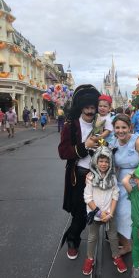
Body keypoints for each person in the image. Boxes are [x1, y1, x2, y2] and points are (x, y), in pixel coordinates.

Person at [58, 84, 100, 260]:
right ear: (81, 107)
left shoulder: (102, 124)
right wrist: (85, 146)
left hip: (98, 176)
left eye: (92, 107)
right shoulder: (71, 126)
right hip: (78, 176)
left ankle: (112, 237)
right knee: (80, 214)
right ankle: (72, 240)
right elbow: (63, 152)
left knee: (99, 210)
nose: (90, 111)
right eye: (87, 108)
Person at [109, 114, 139, 261]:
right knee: (118, 217)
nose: (120, 131)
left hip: (137, 182)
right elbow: (105, 160)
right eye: (117, 127)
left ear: (130, 127)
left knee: (136, 220)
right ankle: (127, 245)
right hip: (119, 182)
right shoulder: (112, 141)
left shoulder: (138, 142)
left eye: (124, 127)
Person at [82, 146, 127, 275]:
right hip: (95, 214)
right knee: (92, 237)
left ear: (110, 163)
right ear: (96, 160)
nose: (103, 164)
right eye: (101, 161)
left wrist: (111, 213)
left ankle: (116, 256)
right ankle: (90, 258)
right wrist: (99, 212)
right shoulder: (90, 177)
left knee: (113, 236)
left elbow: (115, 195)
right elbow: (87, 197)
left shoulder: (112, 178)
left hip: (109, 214)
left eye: (107, 161)